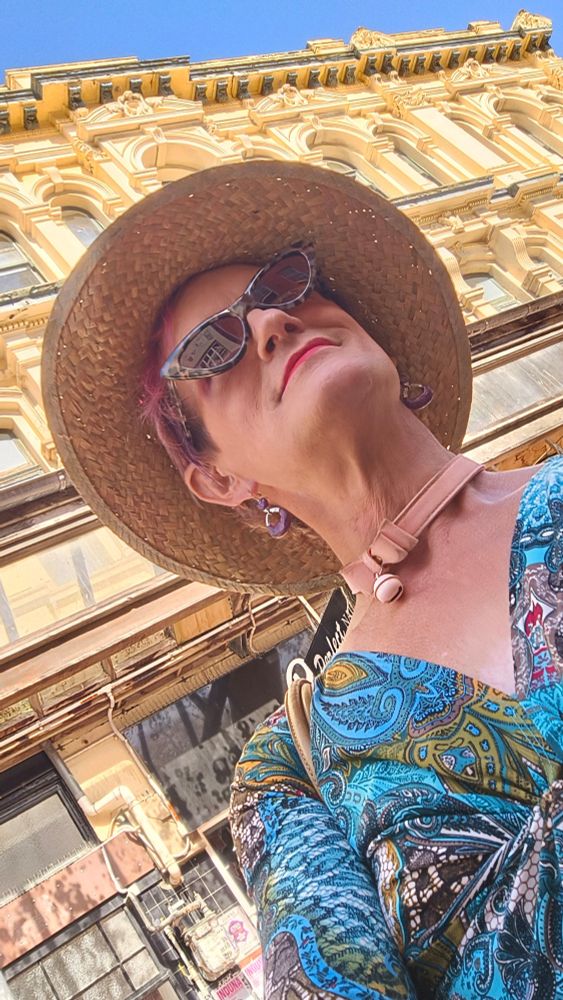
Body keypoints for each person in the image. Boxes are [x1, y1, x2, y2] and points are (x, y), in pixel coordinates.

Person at [42, 162, 563, 999]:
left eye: (284, 285)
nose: (274, 321)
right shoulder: (287, 771)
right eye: (213, 345)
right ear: (215, 478)